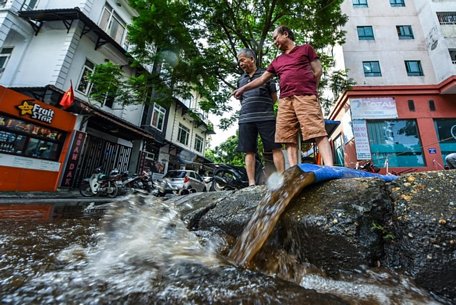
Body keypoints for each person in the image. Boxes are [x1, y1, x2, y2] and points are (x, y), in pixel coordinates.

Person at [233, 26, 333, 167]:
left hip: (305, 96)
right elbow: (262, 80)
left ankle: (330, 166)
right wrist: (243, 88)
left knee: (317, 131)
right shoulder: (277, 61)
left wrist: (311, 91)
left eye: (275, 38)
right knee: (287, 137)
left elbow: (318, 71)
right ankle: (294, 170)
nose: (274, 42)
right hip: (285, 101)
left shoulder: (306, 49)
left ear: (285, 34)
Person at [236, 48, 285, 186]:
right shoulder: (240, 80)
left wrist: (263, 108)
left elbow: (274, 98)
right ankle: (251, 183)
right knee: (249, 151)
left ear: (252, 59)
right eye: (239, 61)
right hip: (245, 119)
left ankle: (283, 178)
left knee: (275, 147)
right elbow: (243, 99)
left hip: (266, 117)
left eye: (242, 60)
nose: (240, 63)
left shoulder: (266, 74)